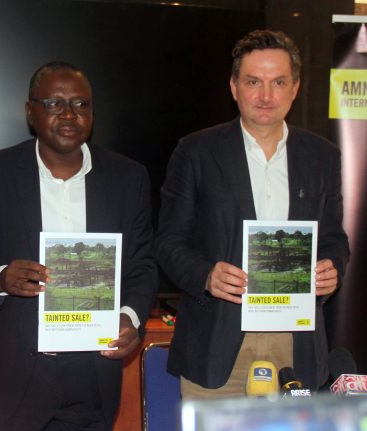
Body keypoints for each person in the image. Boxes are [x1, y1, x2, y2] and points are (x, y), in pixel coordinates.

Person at [0, 61, 157, 430]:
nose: (70, 115)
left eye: (81, 104)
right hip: (11, 376)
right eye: (54, 104)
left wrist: (130, 318)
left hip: (92, 375)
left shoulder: (128, 178)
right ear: (31, 112)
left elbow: (143, 264)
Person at [155, 30, 349, 398]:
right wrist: (205, 275)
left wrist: (330, 267)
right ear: (233, 87)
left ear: (295, 88)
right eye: (253, 82)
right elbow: (168, 240)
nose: (265, 96)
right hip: (217, 343)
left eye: (278, 82)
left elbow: (334, 239)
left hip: (296, 342)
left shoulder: (322, 156)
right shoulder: (196, 152)